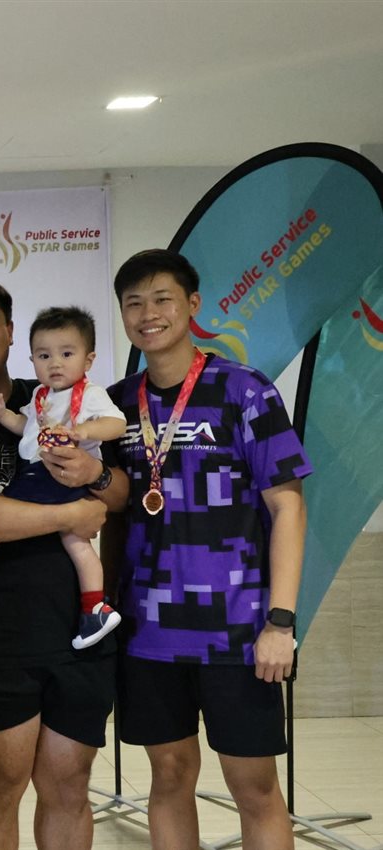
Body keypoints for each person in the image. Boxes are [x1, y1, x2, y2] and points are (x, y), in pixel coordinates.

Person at [106, 249, 309, 849]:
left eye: (162, 299)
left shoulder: (244, 391)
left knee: (255, 787)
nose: (148, 314)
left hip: (238, 633)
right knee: (168, 777)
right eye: (134, 303)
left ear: (192, 305)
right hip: (147, 634)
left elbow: (288, 508)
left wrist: (280, 622)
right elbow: (111, 512)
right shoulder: (114, 407)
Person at [0, 280, 126, 850]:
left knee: (69, 786)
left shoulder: (61, 393)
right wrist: (71, 515)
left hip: (79, 628)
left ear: (12, 333)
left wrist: (95, 477)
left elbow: (121, 495)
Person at [0, 305, 125, 650]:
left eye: (66, 354)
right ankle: (95, 608)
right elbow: (26, 428)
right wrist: (2, 415)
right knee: (76, 542)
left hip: (54, 473)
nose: (55, 363)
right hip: (44, 470)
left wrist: (83, 431)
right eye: (44, 356)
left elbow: (117, 423)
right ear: (32, 359)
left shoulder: (90, 393)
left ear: (88, 360)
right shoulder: (40, 395)